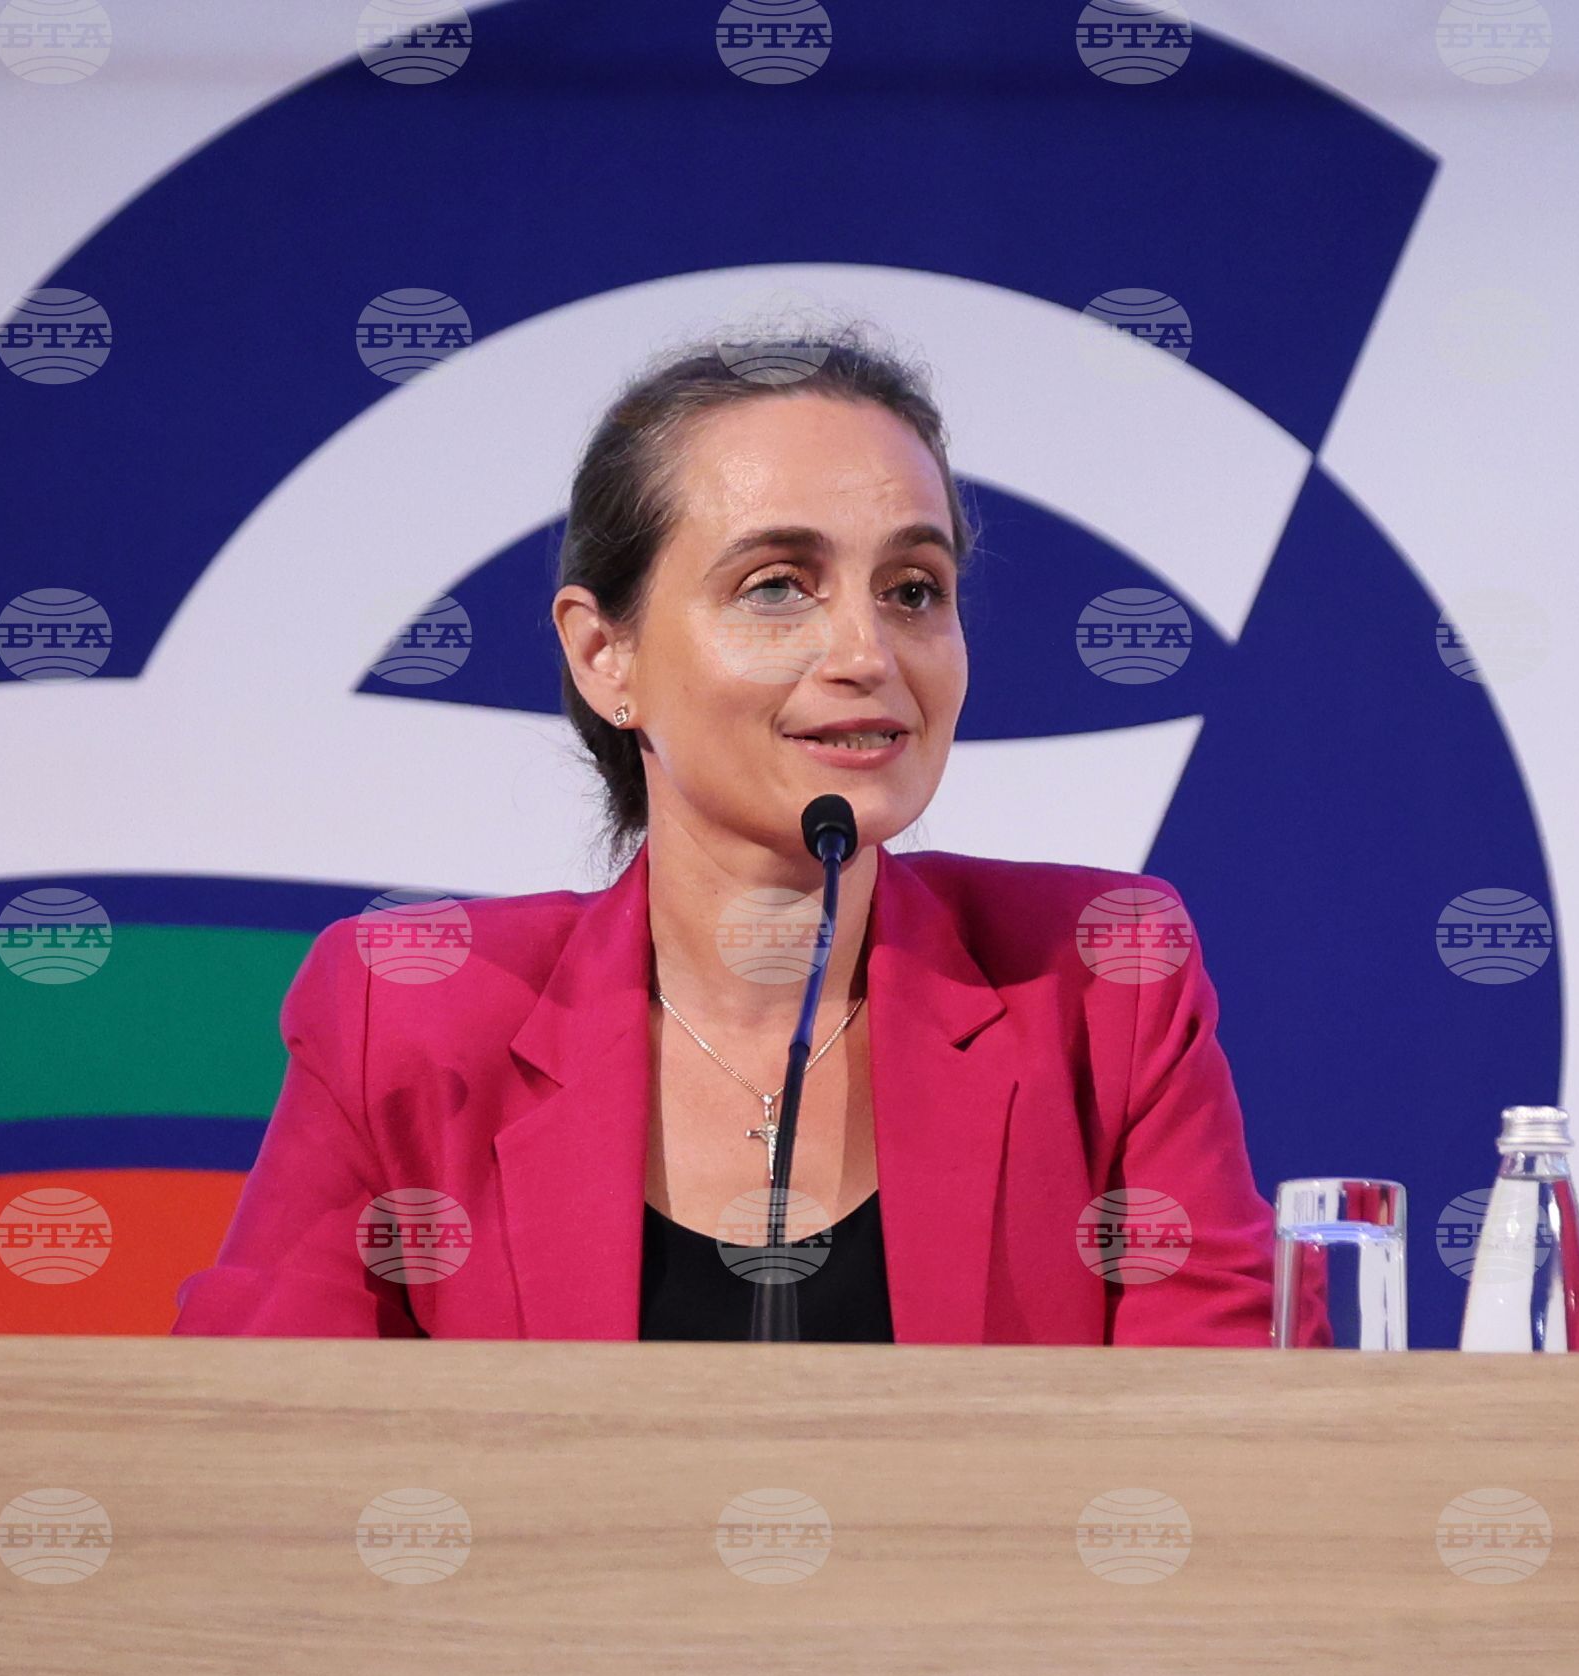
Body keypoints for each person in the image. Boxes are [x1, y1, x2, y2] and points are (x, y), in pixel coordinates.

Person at [171, 320, 1307, 1347]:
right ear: (603, 655)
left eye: (914, 589)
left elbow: (1232, 1438)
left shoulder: (1101, 980)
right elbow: (251, 1444)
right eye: (776, 586)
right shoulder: (410, 1017)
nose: (866, 652)